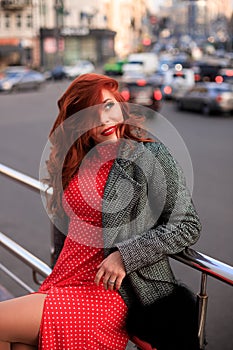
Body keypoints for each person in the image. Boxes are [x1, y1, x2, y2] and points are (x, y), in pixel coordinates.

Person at [0, 73, 201, 350]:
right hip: (63, 282)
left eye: (108, 106)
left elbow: (187, 225)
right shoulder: (79, 162)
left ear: (120, 104)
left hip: (106, 293)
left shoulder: (148, 156)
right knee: (19, 344)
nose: (104, 121)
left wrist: (125, 255)